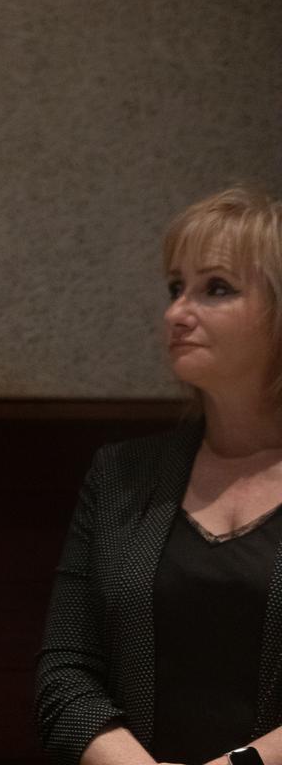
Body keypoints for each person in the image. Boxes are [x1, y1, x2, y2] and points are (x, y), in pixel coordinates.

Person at [36, 186, 282, 765]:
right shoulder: (124, 473)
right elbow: (65, 673)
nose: (176, 313)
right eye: (176, 288)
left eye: (215, 288)